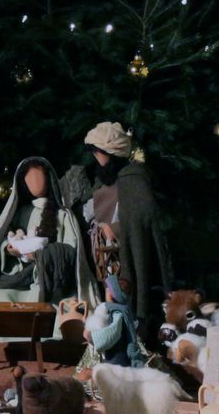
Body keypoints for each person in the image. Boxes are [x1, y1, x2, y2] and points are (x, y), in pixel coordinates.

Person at [67, 122, 171, 338]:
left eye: (98, 152)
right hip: (103, 258)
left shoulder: (134, 180)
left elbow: (141, 221)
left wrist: (114, 229)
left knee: (124, 303)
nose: (95, 157)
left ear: (110, 154)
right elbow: (91, 210)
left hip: (124, 259)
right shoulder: (103, 182)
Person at [0, 157, 98, 307]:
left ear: (49, 179)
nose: (35, 183)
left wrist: (41, 257)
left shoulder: (63, 215)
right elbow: (2, 238)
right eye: (30, 179)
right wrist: (8, 249)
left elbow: (71, 252)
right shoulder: (20, 213)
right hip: (19, 280)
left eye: (39, 177)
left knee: (51, 305)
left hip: (50, 281)